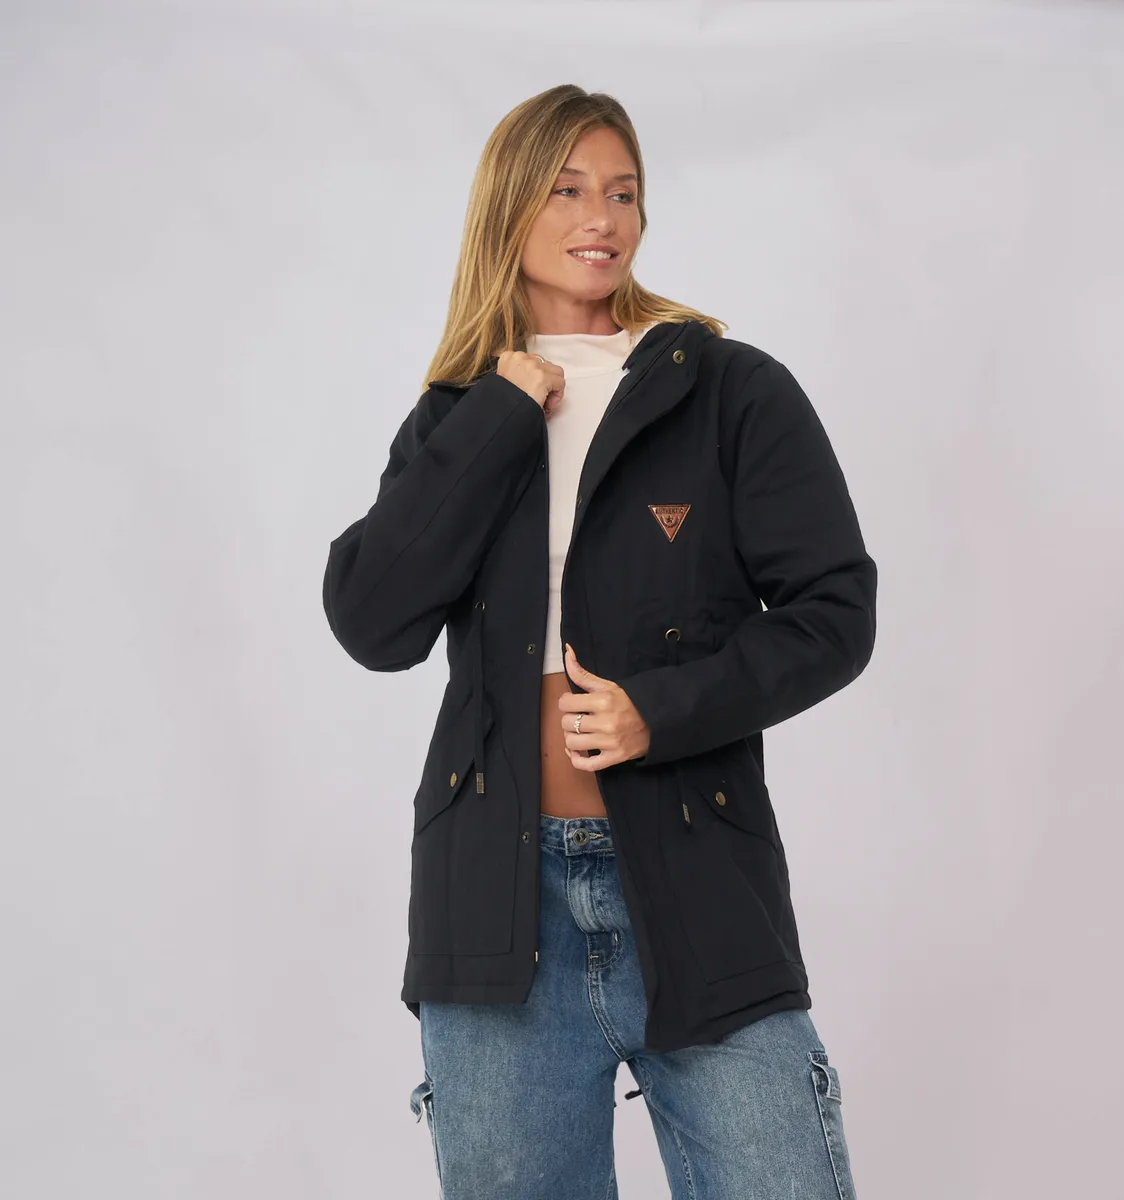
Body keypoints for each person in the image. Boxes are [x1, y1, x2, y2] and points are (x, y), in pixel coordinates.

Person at [322, 83, 875, 1200]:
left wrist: (658, 710)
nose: (602, 218)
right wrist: (498, 415)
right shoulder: (458, 413)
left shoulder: (727, 389)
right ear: (510, 208)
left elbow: (834, 612)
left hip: (697, 877)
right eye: (568, 190)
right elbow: (373, 622)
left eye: (623, 193)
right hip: (494, 904)